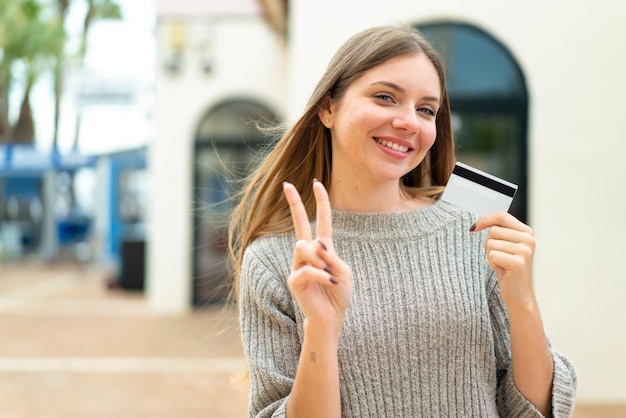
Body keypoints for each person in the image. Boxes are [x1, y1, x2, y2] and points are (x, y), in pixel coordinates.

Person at [228, 25, 577, 418]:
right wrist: (321, 331)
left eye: (426, 109)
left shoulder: (474, 229)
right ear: (328, 108)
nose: (409, 121)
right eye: (385, 97)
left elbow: (538, 412)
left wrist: (523, 300)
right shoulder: (277, 259)